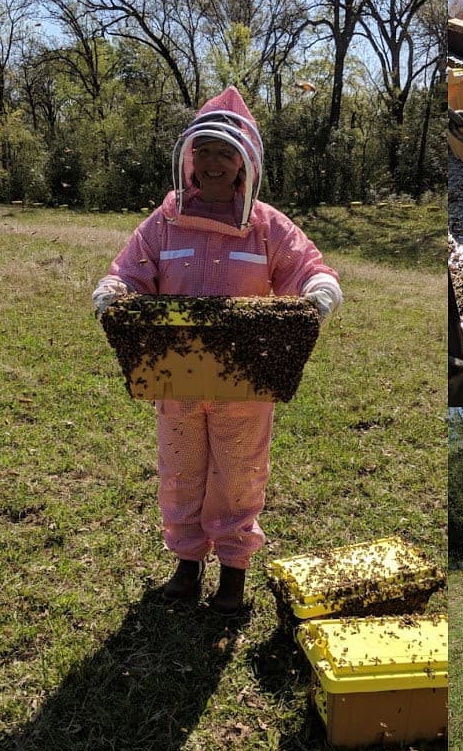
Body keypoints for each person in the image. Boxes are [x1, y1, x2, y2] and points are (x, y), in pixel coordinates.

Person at [92, 86, 342, 614]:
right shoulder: (163, 223)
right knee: (180, 471)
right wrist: (114, 290)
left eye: (225, 153)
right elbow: (130, 272)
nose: (213, 163)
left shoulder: (267, 224)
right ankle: (187, 564)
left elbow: (307, 267)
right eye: (204, 151)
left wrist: (319, 289)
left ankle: (233, 572)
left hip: (245, 384)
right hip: (176, 378)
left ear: (244, 162)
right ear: (188, 159)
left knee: (239, 474)